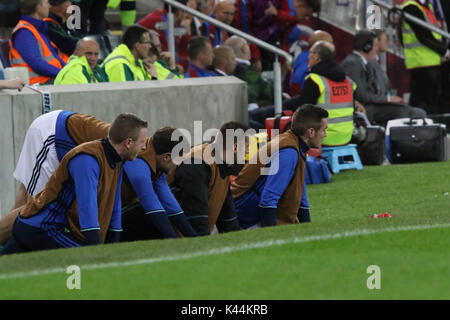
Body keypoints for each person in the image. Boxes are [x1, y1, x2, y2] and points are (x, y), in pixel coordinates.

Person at [0, 113, 148, 255]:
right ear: (128, 142)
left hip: (45, 227)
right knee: (84, 258)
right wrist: (96, 251)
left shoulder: (118, 161)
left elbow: (114, 204)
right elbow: (87, 207)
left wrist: (112, 245)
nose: (144, 148)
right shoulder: (87, 158)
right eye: (142, 143)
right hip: (42, 227)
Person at [231, 104, 328, 229]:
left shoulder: (294, 145)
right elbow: (268, 199)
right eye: (324, 130)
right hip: (247, 219)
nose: (325, 134)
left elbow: (301, 195)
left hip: (252, 213)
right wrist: (272, 236)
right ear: (311, 132)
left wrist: (307, 228)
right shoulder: (289, 152)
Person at [170, 121, 250, 236]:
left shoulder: (223, 165)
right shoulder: (196, 163)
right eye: (247, 147)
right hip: (176, 238)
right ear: (235, 147)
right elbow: (196, 216)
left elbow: (227, 217)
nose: (247, 152)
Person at [121, 127, 197, 241]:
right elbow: (151, 204)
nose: (178, 165)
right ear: (166, 157)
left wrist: (194, 237)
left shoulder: (156, 160)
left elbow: (168, 201)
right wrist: (174, 240)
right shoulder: (138, 162)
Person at [340, 30, 426, 125]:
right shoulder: (352, 64)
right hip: (363, 107)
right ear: (367, 47)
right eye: (375, 45)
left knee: (414, 111)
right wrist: (388, 99)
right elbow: (362, 96)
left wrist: (388, 99)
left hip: (371, 105)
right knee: (407, 112)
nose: (376, 49)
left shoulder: (363, 62)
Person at [283, 41, 358, 146]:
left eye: (310, 52)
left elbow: (303, 114)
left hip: (323, 139)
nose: (308, 56)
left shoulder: (315, 80)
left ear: (317, 57)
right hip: (346, 136)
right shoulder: (349, 82)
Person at [401, 0, 450, 114]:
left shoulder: (427, 7)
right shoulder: (410, 7)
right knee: (421, 104)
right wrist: (444, 52)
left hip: (433, 61)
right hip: (420, 63)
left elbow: (435, 34)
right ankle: (418, 129)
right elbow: (423, 35)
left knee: (433, 102)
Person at [9, 0, 68, 85]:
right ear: (38, 7)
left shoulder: (37, 29)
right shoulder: (24, 32)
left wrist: (67, 71)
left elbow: (55, 57)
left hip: (48, 80)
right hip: (36, 85)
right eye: (47, 2)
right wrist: (63, 73)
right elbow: (37, 64)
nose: (49, 6)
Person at [137, 0, 192, 70]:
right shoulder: (161, 21)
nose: (187, 14)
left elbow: (183, 51)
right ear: (180, 12)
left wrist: (187, 33)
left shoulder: (171, 20)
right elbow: (166, 53)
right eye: (185, 11)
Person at [289, 30, 333, 95]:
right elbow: (297, 79)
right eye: (331, 43)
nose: (333, 46)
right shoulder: (311, 60)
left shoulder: (303, 55)